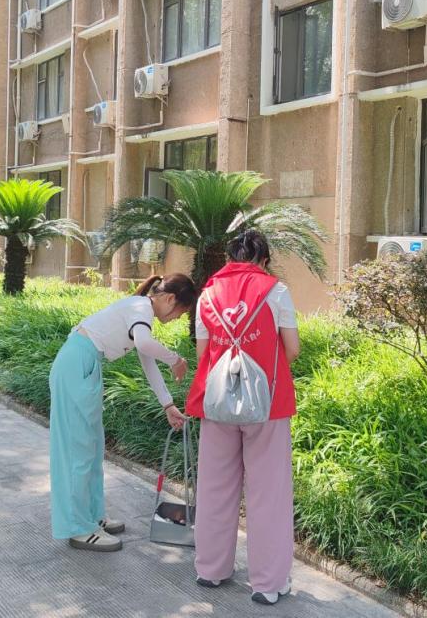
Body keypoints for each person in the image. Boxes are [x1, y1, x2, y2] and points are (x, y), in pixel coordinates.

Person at [185, 230, 301, 606]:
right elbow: (292, 350)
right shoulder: (276, 291)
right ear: (263, 260)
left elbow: (203, 353)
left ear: (229, 258)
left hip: (217, 402)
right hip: (266, 404)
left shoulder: (207, 294)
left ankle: (211, 569)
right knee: (268, 492)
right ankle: (267, 583)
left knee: (215, 487)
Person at [49, 273, 198, 552]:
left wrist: (168, 405)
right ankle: (79, 528)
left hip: (84, 364)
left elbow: (147, 360)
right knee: (80, 451)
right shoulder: (141, 307)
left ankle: (92, 517)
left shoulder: (140, 313)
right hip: (77, 364)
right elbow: (145, 345)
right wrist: (175, 359)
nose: (178, 318)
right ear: (169, 299)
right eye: (181, 312)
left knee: (92, 450)